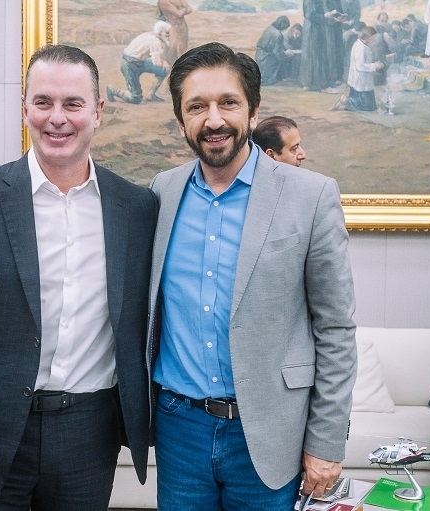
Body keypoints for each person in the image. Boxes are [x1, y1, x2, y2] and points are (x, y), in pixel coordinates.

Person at [0, 44, 157, 511]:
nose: (57, 118)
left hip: (90, 436)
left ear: (98, 111)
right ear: (24, 108)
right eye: (43, 102)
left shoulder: (137, 208)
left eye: (73, 104)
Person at [147, 42, 357, 510]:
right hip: (179, 428)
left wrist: (326, 442)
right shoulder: (162, 192)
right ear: (181, 121)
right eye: (196, 107)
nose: (214, 120)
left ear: (253, 111)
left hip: (269, 429)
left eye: (228, 103)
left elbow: (336, 328)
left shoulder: (311, 196)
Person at [107, 20, 172, 103]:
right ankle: (113, 90)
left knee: (163, 69)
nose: (168, 35)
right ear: (160, 32)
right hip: (129, 65)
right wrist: (165, 63)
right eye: (167, 33)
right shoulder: (155, 42)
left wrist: (164, 62)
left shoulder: (148, 34)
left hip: (138, 61)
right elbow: (156, 63)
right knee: (136, 98)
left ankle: (150, 95)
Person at [332, 26, 385, 111]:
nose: (374, 39)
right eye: (373, 37)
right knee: (367, 107)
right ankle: (344, 101)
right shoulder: (360, 47)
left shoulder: (362, 44)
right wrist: (375, 66)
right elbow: (360, 66)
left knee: (372, 106)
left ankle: (345, 104)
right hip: (360, 80)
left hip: (363, 79)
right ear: (367, 37)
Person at [254, 16, 291, 86]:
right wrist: (287, 53)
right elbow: (278, 53)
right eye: (286, 27)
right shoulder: (278, 35)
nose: (286, 29)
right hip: (266, 58)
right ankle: (270, 79)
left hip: (259, 54)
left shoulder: (270, 28)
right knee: (283, 59)